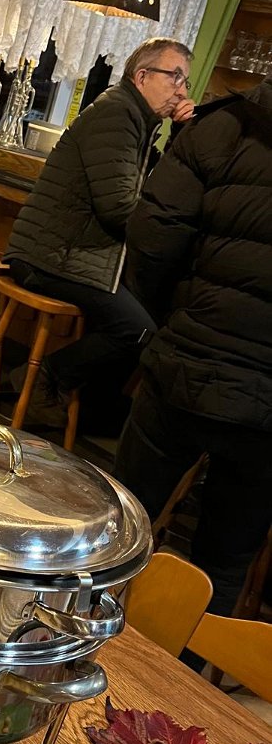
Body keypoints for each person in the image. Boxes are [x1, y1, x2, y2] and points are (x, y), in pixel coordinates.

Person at [115, 74, 272, 617]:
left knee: (119, 527)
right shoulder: (222, 125)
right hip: (265, 408)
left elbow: (153, 236)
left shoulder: (222, 126)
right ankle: (181, 671)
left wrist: (176, 319)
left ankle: (70, 650)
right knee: (223, 567)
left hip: (186, 361)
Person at [2, 38, 196, 422]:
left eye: (185, 81)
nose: (181, 90)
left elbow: (158, 188)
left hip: (69, 256)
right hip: (50, 257)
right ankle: (41, 378)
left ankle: (93, 407)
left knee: (149, 310)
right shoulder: (118, 115)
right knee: (140, 330)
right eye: (174, 77)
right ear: (142, 76)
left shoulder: (138, 122)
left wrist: (179, 135)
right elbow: (119, 208)